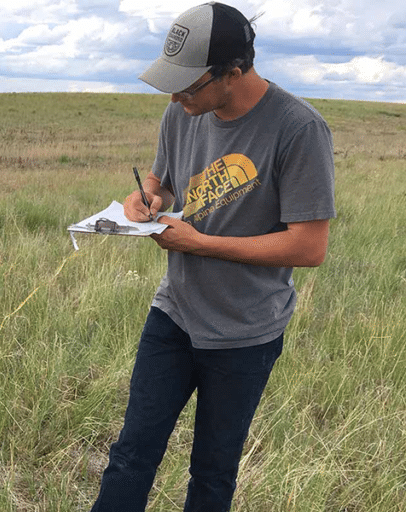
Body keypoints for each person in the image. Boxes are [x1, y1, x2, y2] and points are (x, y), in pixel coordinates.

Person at [91, 3, 336, 511]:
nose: (176, 97)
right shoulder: (183, 112)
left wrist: (201, 243)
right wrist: (148, 199)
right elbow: (162, 181)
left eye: (187, 86)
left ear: (233, 72)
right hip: (174, 313)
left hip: (245, 332)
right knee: (131, 454)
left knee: (212, 473)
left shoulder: (299, 129)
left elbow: (309, 246)